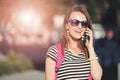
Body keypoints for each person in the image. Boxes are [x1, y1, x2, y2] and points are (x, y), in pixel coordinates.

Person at [45, 4, 103, 80]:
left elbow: (97, 77)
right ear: (66, 25)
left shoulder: (88, 52)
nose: (79, 26)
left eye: (84, 23)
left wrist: (90, 48)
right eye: (75, 22)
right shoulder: (54, 51)